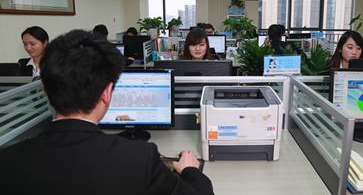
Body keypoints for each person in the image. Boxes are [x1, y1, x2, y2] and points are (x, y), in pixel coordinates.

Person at [0, 30, 214, 195]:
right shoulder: (139, 159)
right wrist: (189, 170)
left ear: (45, 90)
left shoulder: (7, 161)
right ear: (107, 93)